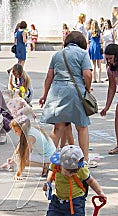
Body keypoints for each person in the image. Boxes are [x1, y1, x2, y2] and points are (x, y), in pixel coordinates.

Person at [37, 145, 106, 216]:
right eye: (68, 171)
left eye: (74, 171)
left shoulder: (81, 169)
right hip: (57, 200)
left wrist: (100, 192)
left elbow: (91, 180)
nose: (71, 174)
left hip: (76, 201)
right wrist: (48, 182)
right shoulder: (56, 164)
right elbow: (51, 171)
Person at [39, 31, 96, 168]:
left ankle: (48, 162)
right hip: (75, 91)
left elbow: (49, 76)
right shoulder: (83, 54)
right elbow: (87, 74)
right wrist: (87, 88)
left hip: (57, 91)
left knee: (58, 128)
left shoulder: (57, 54)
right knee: (82, 127)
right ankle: (84, 160)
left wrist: (44, 95)